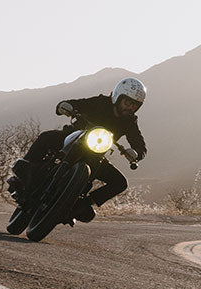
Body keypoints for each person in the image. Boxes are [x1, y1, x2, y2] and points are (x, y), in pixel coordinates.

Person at [9, 77, 149, 223]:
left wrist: (136, 153)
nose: (130, 107)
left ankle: (82, 203)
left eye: (134, 105)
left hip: (96, 153)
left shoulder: (130, 122)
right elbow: (78, 104)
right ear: (117, 97)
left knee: (120, 183)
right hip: (73, 137)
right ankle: (26, 171)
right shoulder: (100, 103)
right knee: (46, 137)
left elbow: (139, 144)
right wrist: (65, 106)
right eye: (127, 102)